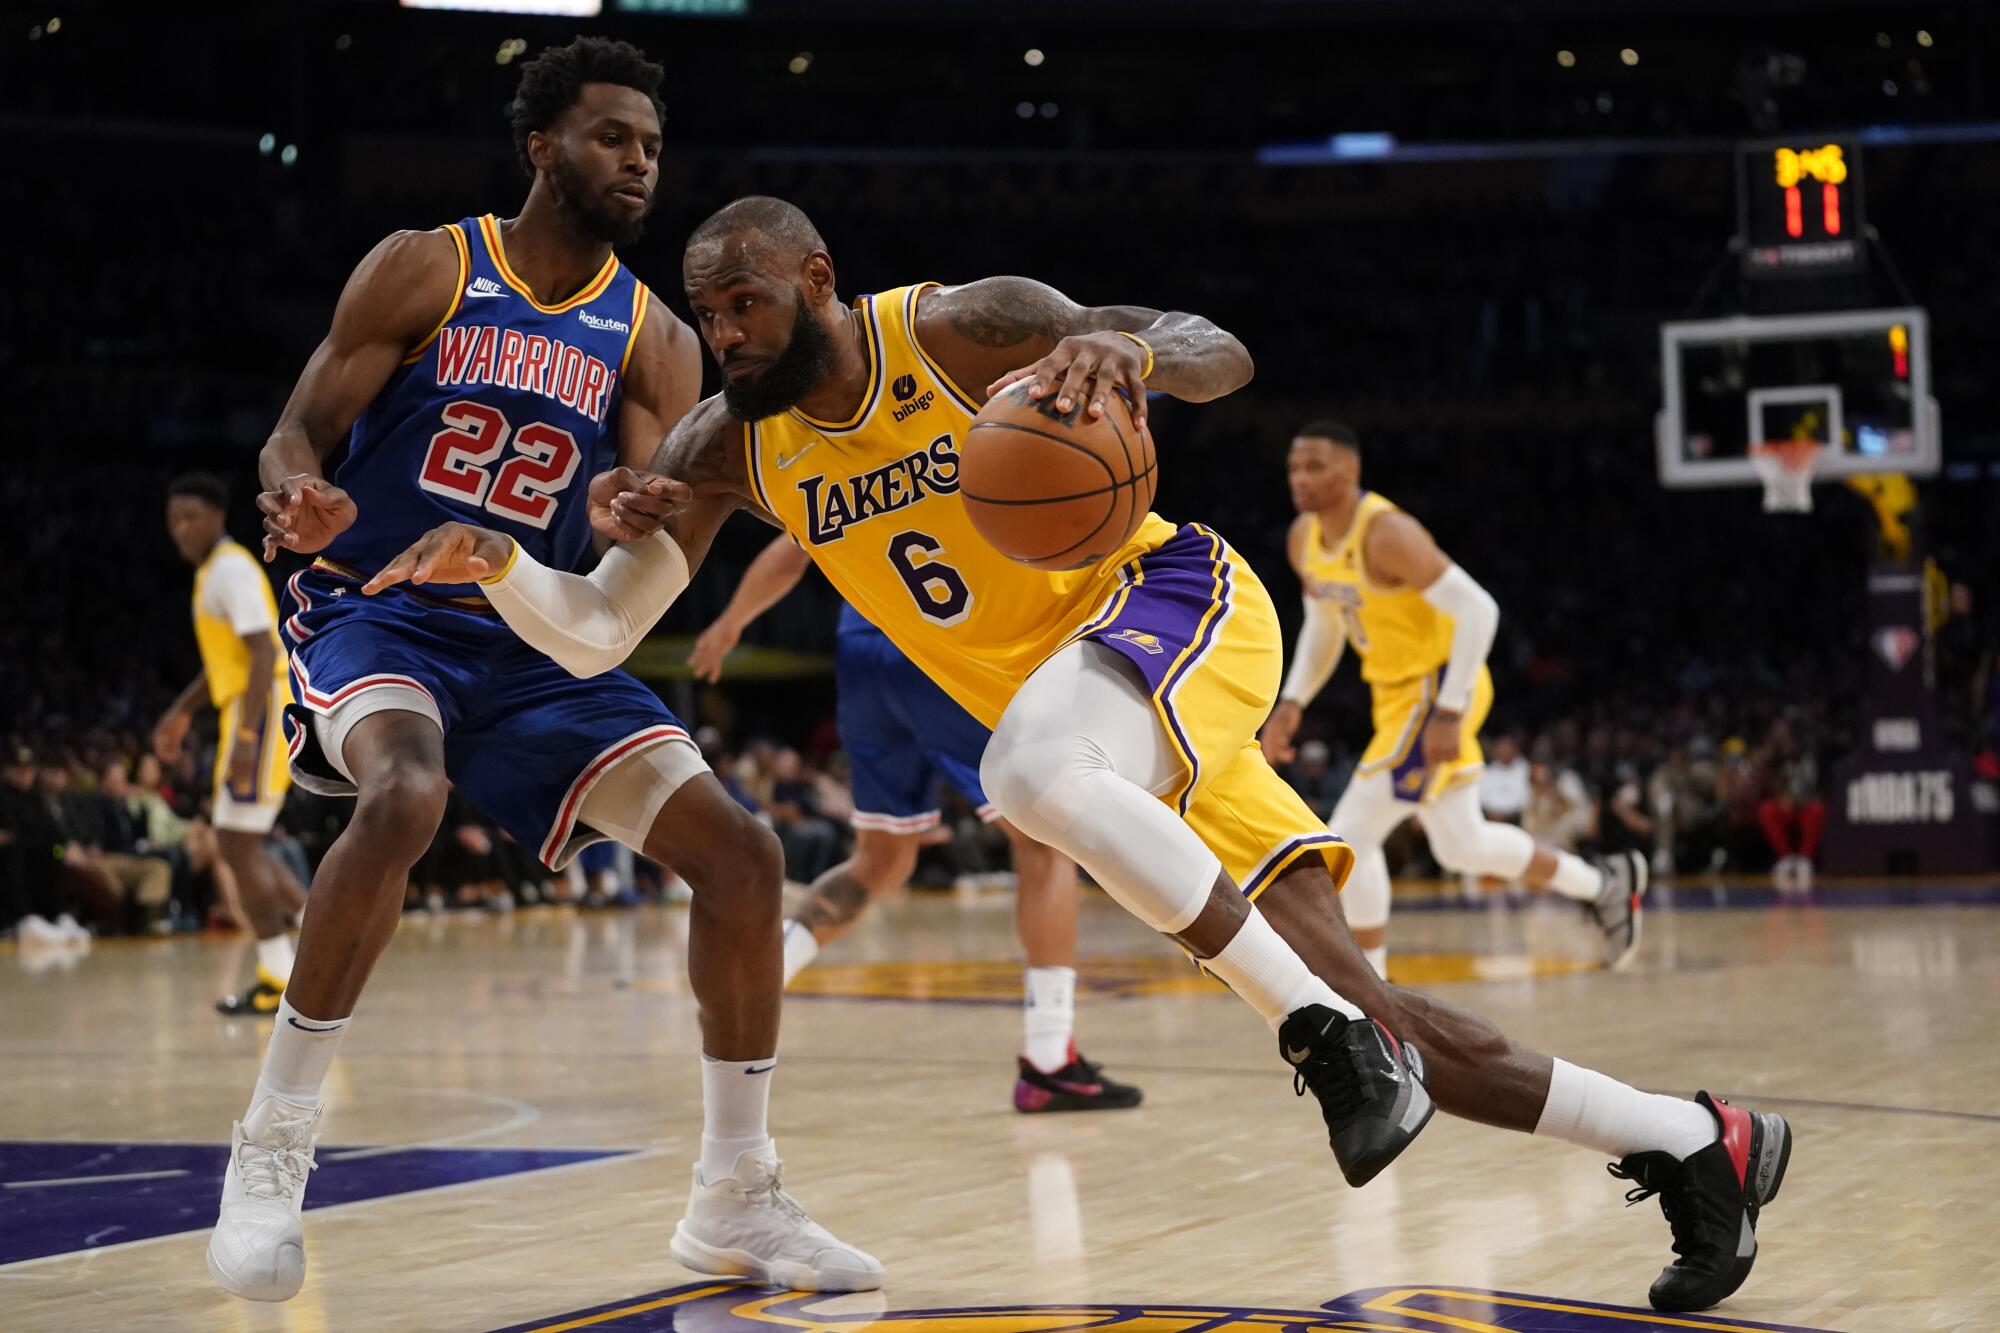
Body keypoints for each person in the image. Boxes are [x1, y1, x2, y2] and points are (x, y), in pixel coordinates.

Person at [371, 196, 1795, 1313]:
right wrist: (501, 557)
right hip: (1103, 729)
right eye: (705, 314)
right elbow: (601, 633)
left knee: (1026, 780)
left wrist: (1128, 344)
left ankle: (1326, 1040)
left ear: (814, 281)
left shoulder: (959, 325)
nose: (723, 334)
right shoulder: (725, 444)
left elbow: (1214, 351)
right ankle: (1695, 1144)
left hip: (1171, 612)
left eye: (744, 304)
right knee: (1395, 1021)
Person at [211, 43, 878, 1305]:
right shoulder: (428, 263)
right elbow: (296, 426)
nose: (638, 160)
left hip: (534, 634)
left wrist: (627, 500)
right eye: (612, 136)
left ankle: (735, 1194)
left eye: (651, 145)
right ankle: (273, 1146)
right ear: (540, 146)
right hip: (379, 608)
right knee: (404, 795)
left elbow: (636, 515)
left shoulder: (656, 338)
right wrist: (295, 490)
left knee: (742, 858)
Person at [689, 535, 1142, 1112]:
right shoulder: (958, 444)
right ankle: (1050, 1060)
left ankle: (756, 973)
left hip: (862, 656)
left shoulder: (824, 453)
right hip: (942, 644)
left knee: (882, 860)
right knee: (1044, 842)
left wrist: (731, 623)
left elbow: (790, 552)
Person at [1258, 422, 1646, 973]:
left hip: (1436, 690)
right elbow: (1325, 624)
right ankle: (1604, 883)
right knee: (1461, 846)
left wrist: (1449, 710)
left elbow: (1479, 610)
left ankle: (1371, 990)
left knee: (1350, 836)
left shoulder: (1387, 534)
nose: (1300, 477)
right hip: (1395, 696)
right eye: (1295, 466)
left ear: (1350, 471)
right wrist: (1294, 699)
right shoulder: (1304, 538)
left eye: (1315, 466)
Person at [153, 472, 307, 1012]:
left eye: (190, 517)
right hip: (250, 713)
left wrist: (246, 738)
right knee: (243, 843)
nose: (180, 529)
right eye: (173, 520)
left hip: (260, 714)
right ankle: (305, 954)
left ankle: (281, 977)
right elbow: (226, 665)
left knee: (235, 845)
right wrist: (180, 713)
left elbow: (264, 652)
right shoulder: (212, 576)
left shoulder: (231, 570)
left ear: (217, 517)